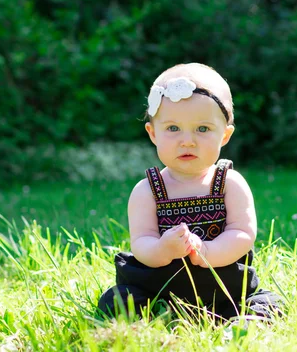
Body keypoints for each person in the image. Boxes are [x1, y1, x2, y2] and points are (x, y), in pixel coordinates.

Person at [98, 63, 282, 321]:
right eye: (173, 129)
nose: (188, 141)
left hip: (221, 287)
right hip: (158, 287)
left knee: (268, 303)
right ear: (153, 133)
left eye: (203, 129)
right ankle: (150, 319)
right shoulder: (147, 191)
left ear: (225, 136)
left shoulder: (229, 183)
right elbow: (141, 243)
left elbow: (242, 234)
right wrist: (163, 249)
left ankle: (242, 325)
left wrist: (208, 252)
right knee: (117, 299)